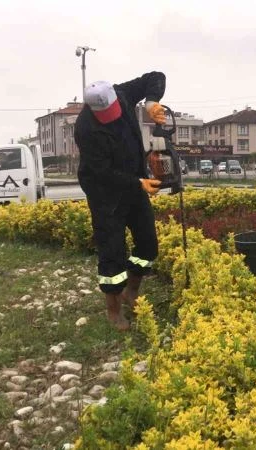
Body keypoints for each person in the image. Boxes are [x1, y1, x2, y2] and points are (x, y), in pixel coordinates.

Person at [74, 72, 167, 331]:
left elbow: (156, 76)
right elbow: (102, 172)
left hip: (134, 185)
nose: (112, 117)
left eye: (113, 110)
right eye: (104, 114)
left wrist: (152, 102)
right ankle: (113, 309)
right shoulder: (86, 129)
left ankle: (131, 292)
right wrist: (138, 183)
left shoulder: (123, 94)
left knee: (148, 245)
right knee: (112, 253)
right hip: (105, 195)